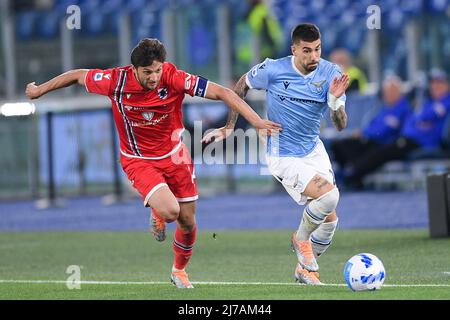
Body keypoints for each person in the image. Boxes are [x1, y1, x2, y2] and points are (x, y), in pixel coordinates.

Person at [25, 38, 281, 289]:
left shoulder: (173, 77)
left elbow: (223, 92)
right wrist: (40, 90)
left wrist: (256, 121)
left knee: (189, 222)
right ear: (134, 68)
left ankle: (179, 271)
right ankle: (158, 209)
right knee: (171, 211)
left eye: (158, 70)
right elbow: (78, 75)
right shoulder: (116, 80)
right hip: (139, 160)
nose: (154, 77)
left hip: (175, 155)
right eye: (148, 72)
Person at [203, 23, 350, 285]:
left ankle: (304, 271)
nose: (313, 57)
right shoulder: (273, 69)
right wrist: (229, 126)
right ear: (294, 49)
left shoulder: (331, 73)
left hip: (313, 149)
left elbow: (340, 125)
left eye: (317, 49)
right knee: (329, 195)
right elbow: (241, 86)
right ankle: (300, 239)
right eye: (306, 51)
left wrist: (335, 101)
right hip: (282, 152)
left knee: (330, 222)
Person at [343, 69, 450, 188]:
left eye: (440, 83)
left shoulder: (445, 101)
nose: (435, 86)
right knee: (378, 149)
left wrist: (420, 120)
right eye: (433, 83)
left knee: (384, 151)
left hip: (424, 142)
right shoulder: (428, 102)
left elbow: (424, 116)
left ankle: (353, 174)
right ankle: (353, 173)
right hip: (410, 139)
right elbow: (415, 121)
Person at [331, 74, 411, 174]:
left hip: (385, 143)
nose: (388, 95)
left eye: (391, 91)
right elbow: (374, 124)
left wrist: (365, 133)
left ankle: (353, 175)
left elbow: (385, 130)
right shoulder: (385, 109)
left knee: (371, 154)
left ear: (398, 92)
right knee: (339, 145)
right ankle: (346, 173)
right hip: (371, 139)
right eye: (386, 92)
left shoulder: (403, 109)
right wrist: (363, 132)